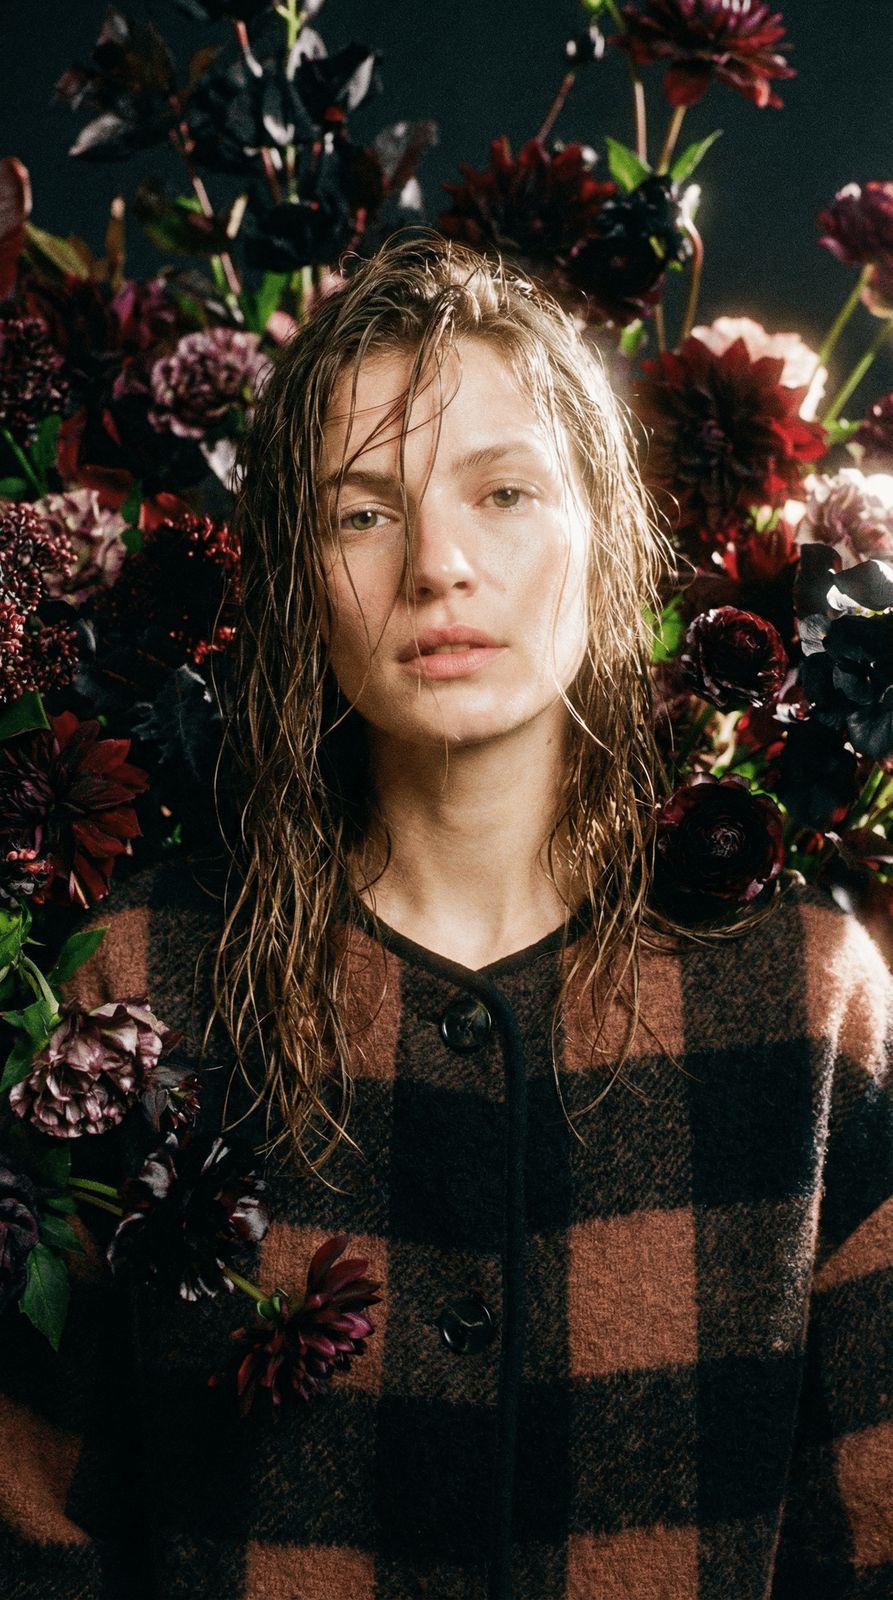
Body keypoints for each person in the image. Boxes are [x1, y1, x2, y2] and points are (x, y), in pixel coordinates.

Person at [2, 233, 892, 1600]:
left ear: (602, 537)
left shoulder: (802, 1001)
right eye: (362, 511)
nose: (436, 565)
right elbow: (35, 1528)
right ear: (300, 576)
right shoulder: (137, 994)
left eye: (504, 493)